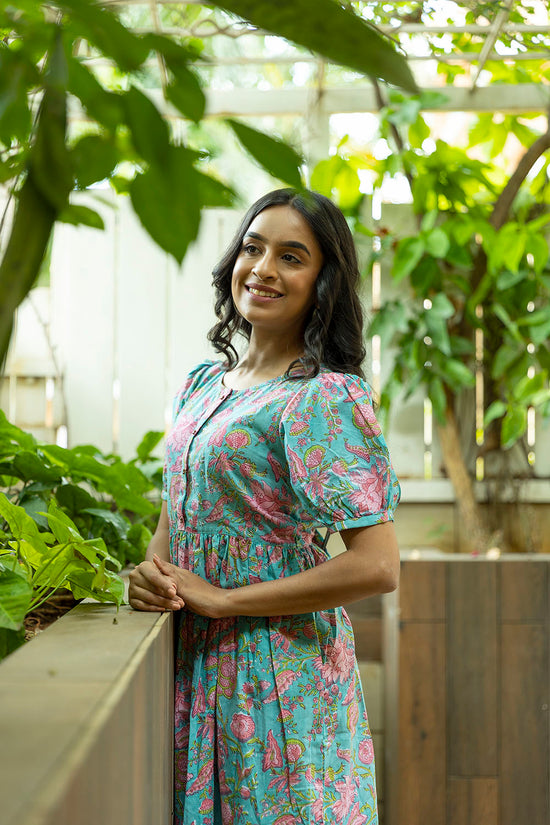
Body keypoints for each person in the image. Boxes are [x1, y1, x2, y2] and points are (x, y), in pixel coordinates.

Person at [128, 188, 400, 825]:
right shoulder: (202, 384)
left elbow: (378, 567)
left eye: (292, 256)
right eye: (253, 248)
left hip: (279, 677)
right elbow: (176, 519)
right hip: (194, 668)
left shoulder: (322, 398)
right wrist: (151, 577)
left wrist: (224, 600)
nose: (264, 268)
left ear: (323, 282)